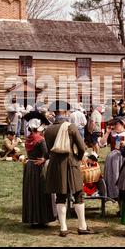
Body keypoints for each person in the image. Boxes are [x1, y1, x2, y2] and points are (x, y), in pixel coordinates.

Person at [44, 100, 93, 237]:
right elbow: (82, 147)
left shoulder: (48, 130)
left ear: (55, 113)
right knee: (78, 194)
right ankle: (82, 226)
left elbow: (48, 150)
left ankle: (63, 228)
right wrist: (78, 157)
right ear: (65, 112)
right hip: (71, 163)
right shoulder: (71, 127)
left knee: (60, 195)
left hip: (55, 165)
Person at [22, 118, 56, 227]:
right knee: (40, 191)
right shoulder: (40, 139)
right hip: (38, 167)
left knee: (31, 192)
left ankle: (32, 218)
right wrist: (45, 159)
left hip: (29, 166)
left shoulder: (27, 139)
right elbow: (46, 153)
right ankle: (41, 219)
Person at [99, 117, 125, 202]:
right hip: (112, 160)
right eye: (113, 124)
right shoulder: (112, 133)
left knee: (122, 179)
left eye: (116, 124)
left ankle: (122, 200)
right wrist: (107, 132)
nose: (114, 126)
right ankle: (114, 194)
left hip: (123, 158)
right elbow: (101, 144)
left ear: (122, 124)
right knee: (113, 178)